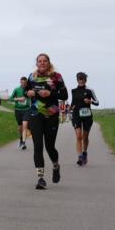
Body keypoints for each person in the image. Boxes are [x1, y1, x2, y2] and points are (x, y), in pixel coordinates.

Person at [26, 54, 68, 190]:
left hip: (51, 113)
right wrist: (29, 93)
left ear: (49, 63)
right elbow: (26, 90)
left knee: (50, 147)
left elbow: (64, 95)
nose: (42, 63)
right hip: (35, 113)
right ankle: (40, 178)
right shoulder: (31, 76)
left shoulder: (56, 76)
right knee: (38, 145)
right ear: (36, 63)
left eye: (45, 61)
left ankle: (56, 166)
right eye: (40, 61)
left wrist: (50, 94)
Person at [71, 72, 100, 166]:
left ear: (85, 80)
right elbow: (73, 103)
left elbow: (97, 102)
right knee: (79, 136)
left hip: (87, 116)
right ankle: (79, 157)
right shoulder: (73, 91)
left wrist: (90, 101)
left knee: (85, 137)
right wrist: (70, 108)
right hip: (76, 115)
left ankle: (84, 153)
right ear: (77, 80)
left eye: (83, 79)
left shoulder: (89, 90)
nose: (81, 80)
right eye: (79, 79)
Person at [8, 76, 30, 150]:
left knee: (25, 125)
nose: (23, 84)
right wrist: (18, 99)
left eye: (25, 82)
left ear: (26, 83)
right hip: (18, 110)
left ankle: (23, 143)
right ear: (20, 82)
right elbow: (10, 98)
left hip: (26, 109)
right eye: (22, 82)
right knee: (20, 127)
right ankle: (21, 139)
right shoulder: (17, 89)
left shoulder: (29, 90)